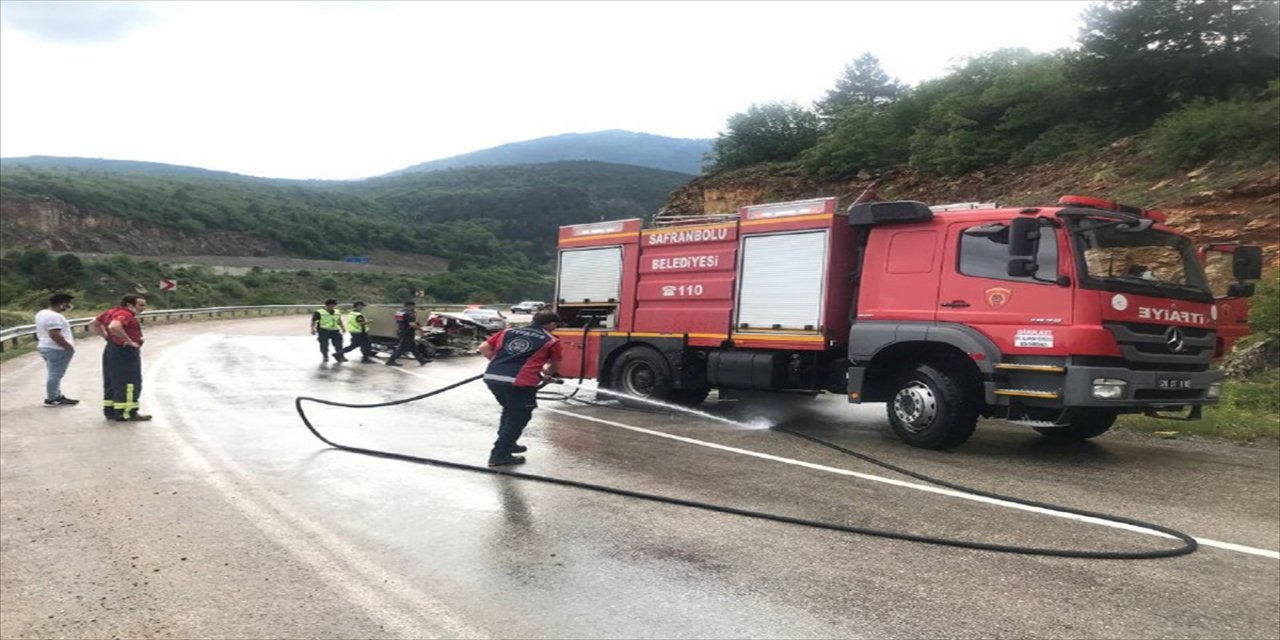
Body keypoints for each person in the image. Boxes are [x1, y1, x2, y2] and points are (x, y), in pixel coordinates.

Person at [478, 310, 562, 467]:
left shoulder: (507, 331)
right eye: (555, 325)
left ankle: (509, 443)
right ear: (551, 324)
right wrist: (547, 373)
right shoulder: (551, 340)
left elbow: (484, 348)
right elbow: (555, 365)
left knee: (509, 410)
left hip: (493, 377)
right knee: (519, 417)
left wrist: (498, 364)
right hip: (519, 383)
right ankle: (499, 454)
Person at [88, 294, 151, 422]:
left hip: (112, 349)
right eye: (140, 305)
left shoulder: (110, 312)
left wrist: (107, 337)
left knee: (112, 381)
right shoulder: (125, 314)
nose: (143, 308)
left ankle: (111, 411)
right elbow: (114, 326)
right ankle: (127, 413)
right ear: (129, 305)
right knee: (129, 383)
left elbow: (94, 323)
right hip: (124, 352)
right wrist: (129, 341)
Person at [35, 292, 80, 407]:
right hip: (57, 349)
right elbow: (54, 334)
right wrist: (68, 347)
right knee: (55, 374)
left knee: (53, 373)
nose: (69, 306)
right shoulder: (54, 316)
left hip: (45, 346)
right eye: (68, 303)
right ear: (62, 303)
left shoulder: (42, 313)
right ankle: (52, 398)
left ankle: (57, 395)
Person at [385, 301, 430, 366]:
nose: (414, 308)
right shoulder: (410, 313)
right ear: (410, 306)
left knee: (413, 347)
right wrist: (421, 330)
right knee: (402, 348)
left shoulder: (399, 312)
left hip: (401, 331)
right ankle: (390, 361)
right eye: (414, 306)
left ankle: (422, 360)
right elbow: (412, 325)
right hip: (407, 333)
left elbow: (400, 322)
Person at [310, 299, 347, 363]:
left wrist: (343, 327)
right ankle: (325, 356)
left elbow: (339, 320)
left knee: (339, 344)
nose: (333, 306)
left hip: (335, 330)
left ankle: (340, 356)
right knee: (324, 345)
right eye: (332, 305)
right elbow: (313, 321)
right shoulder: (319, 312)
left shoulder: (337, 312)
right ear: (328, 305)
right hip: (323, 330)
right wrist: (312, 329)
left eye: (334, 305)